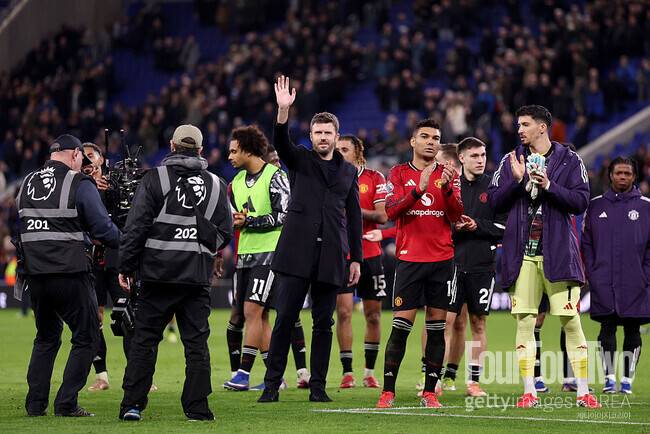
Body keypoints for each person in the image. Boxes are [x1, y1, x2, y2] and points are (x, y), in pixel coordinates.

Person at [118, 124, 233, 421]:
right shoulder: (217, 183)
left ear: (171, 146)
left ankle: (132, 405)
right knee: (196, 344)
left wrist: (126, 265)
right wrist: (201, 248)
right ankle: (197, 408)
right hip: (196, 276)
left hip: (157, 275)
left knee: (144, 340)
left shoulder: (154, 178)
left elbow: (136, 226)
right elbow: (225, 233)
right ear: (200, 150)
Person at [488, 105, 600, 409]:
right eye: (518, 125)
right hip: (522, 255)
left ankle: (583, 391)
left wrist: (548, 185)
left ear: (542, 127)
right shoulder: (510, 160)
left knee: (571, 321)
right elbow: (493, 202)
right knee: (525, 322)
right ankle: (529, 392)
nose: (519, 130)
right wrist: (518, 182)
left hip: (559, 254)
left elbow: (581, 201)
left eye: (525, 124)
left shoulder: (570, 159)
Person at [259, 76, 362, 403]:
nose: (322, 137)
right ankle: (271, 386)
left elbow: (354, 217)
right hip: (296, 254)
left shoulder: (348, 172)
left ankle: (318, 387)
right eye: (318, 132)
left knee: (323, 324)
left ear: (336, 136)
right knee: (285, 320)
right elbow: (281, 141)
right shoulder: (299, 159)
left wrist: (356, 259)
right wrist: (283, 111)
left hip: (332, 255)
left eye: (328, 133)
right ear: (311, 135)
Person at [18, 134, 120, 417]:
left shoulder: (27, 182)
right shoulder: (79, 182)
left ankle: (35, 404)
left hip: (35, 274)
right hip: (70, 272)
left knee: (46, 337)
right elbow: (103, 229)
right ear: (75, 154)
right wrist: (127, 242)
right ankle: (66, 403)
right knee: (87, 336)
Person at [375, 119, 464, 409]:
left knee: (436, 330)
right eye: (424, 136)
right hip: (410, 260)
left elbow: (456, 215)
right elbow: (390, 211)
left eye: (435, 138)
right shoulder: (399, 173)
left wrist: (447, 189)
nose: (430, 142)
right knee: (401, 328)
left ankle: (429, 392)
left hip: (441, 260)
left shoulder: (449, 174)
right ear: (413, 142)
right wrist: (418, 190)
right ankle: (388, 392)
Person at [224, 144, 311, 389]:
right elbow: (234, 217)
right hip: (245, 255)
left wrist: (249, 221)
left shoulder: (279, 179)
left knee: (272, 313)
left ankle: (249, 373)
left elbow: (285, 215)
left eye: (278, 160)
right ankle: (274, 376)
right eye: (273, 160)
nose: (277, 165)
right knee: (255, 315)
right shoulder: (236, 183)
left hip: (274, 255)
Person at [441, 137, 505, 397]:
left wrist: (476, 225)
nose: (480, 160)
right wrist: (454, 227)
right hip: (451, 264)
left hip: (482, 266)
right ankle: (434, 381)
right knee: (444, 323)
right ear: (462, 158)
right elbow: (438, 224)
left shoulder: (494, 188)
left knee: (478, 324)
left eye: (483, 155)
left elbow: (505, 227)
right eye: (474, 156)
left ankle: (473, 383)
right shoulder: (450, 187)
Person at [583, 156, 650, 395]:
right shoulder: (595, 205)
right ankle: (610, 379)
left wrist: (645, 275)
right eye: (619, 173)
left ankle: (627, 381)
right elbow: (587, 243)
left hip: (636, 281)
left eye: (627, 173)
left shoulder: (646, 206)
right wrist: (593, 272)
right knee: (607, 328)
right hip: (604, 280)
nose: (623, 177)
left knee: (633, 330)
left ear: (634, 177)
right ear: (610, 175)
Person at [334, 135, 387, 389]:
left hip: (370, 253)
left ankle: (369, 372)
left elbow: (382, 216)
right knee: (343, 312)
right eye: (337, 149)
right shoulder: (330, 177)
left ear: (357, 153)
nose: (339, 153)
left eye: (344, 149)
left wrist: (352, 209)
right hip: (341, 255)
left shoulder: (375, 178)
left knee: (373, 315)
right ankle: (347, 372)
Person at [81, 142, 129, 392]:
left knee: (127, 316)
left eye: (91, 156)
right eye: (84, 157)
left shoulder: (117, 184)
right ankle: (102, 376)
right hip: (91, 261)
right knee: (94, 318)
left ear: (100, 159)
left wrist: (113, 191)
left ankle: (138, 374)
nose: (88, 161)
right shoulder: (78, 186)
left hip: (117, 258)